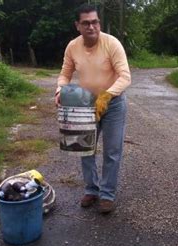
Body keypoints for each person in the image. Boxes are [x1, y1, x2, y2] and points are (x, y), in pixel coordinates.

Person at [55, 4, 131, 213]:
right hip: (86, 105)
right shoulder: (73, 47)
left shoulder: (112, 44)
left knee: (112, 151)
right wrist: (59, 90)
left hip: (113, 104)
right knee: (84, 148)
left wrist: (106, 96)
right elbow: (65, 74)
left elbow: (125, 77)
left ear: (99, 23)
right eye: (86, 23)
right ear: (78, 26)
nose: (92, 26)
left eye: (95, 22)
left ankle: (107, 194)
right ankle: (91, 189)